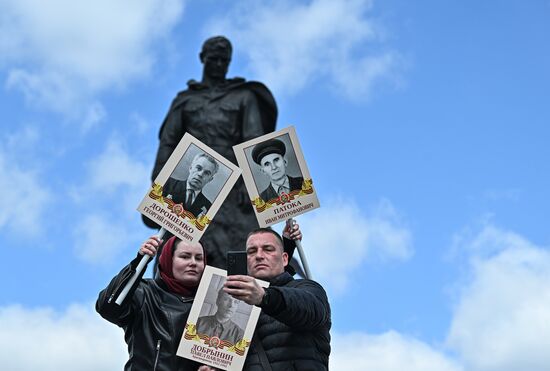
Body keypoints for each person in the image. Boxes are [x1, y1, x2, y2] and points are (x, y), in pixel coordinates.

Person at [144, 35, 278, 269]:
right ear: (202, 58)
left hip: (234, 185)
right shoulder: (185, 100)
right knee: (179, 250)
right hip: (191, 179)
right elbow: (169, 141)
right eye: (213, 59)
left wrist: (251, 185)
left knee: (240, 250)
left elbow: (254, 142)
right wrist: (159, 182)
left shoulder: (243, 96)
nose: (218, 65)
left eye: (223, 61)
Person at [223, 222, 331, 370]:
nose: (259, 256)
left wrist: (265, 297)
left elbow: (310, 309)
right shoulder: (233, 304)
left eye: (268, 249)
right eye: (251, 251)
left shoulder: (308, 288)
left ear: (285, 259)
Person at [96, 236, 206, 371]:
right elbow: (108, 308)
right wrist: (139, 262)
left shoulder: (216, 304)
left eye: (199, 258)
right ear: (168, 259)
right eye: (185, 256)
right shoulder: (144, 292)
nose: (193, 263)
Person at [163, 152, 219, 218]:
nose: (200, 174)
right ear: (190, 168)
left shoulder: (208, 207)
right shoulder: (167, 183)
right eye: (198, 168)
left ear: (210, 179)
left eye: (206, 173)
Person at [251, 138, 304, 202]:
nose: (274, 167)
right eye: (267, 164)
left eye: (276, 160)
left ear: (285, 162)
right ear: (263, 171)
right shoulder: (261, 200)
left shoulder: (304, 183)